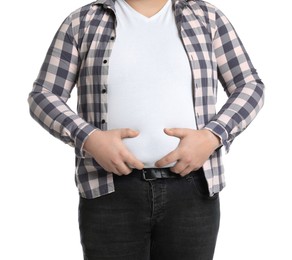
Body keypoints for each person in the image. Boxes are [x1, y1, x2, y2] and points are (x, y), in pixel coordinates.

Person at [28, 0, 264, 259]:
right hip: (108, 189)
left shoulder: (207, 17)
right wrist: (90, 138)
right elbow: (44, 95)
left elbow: (249, 85)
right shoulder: (82, 21)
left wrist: (213, 136)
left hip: (193, 187)